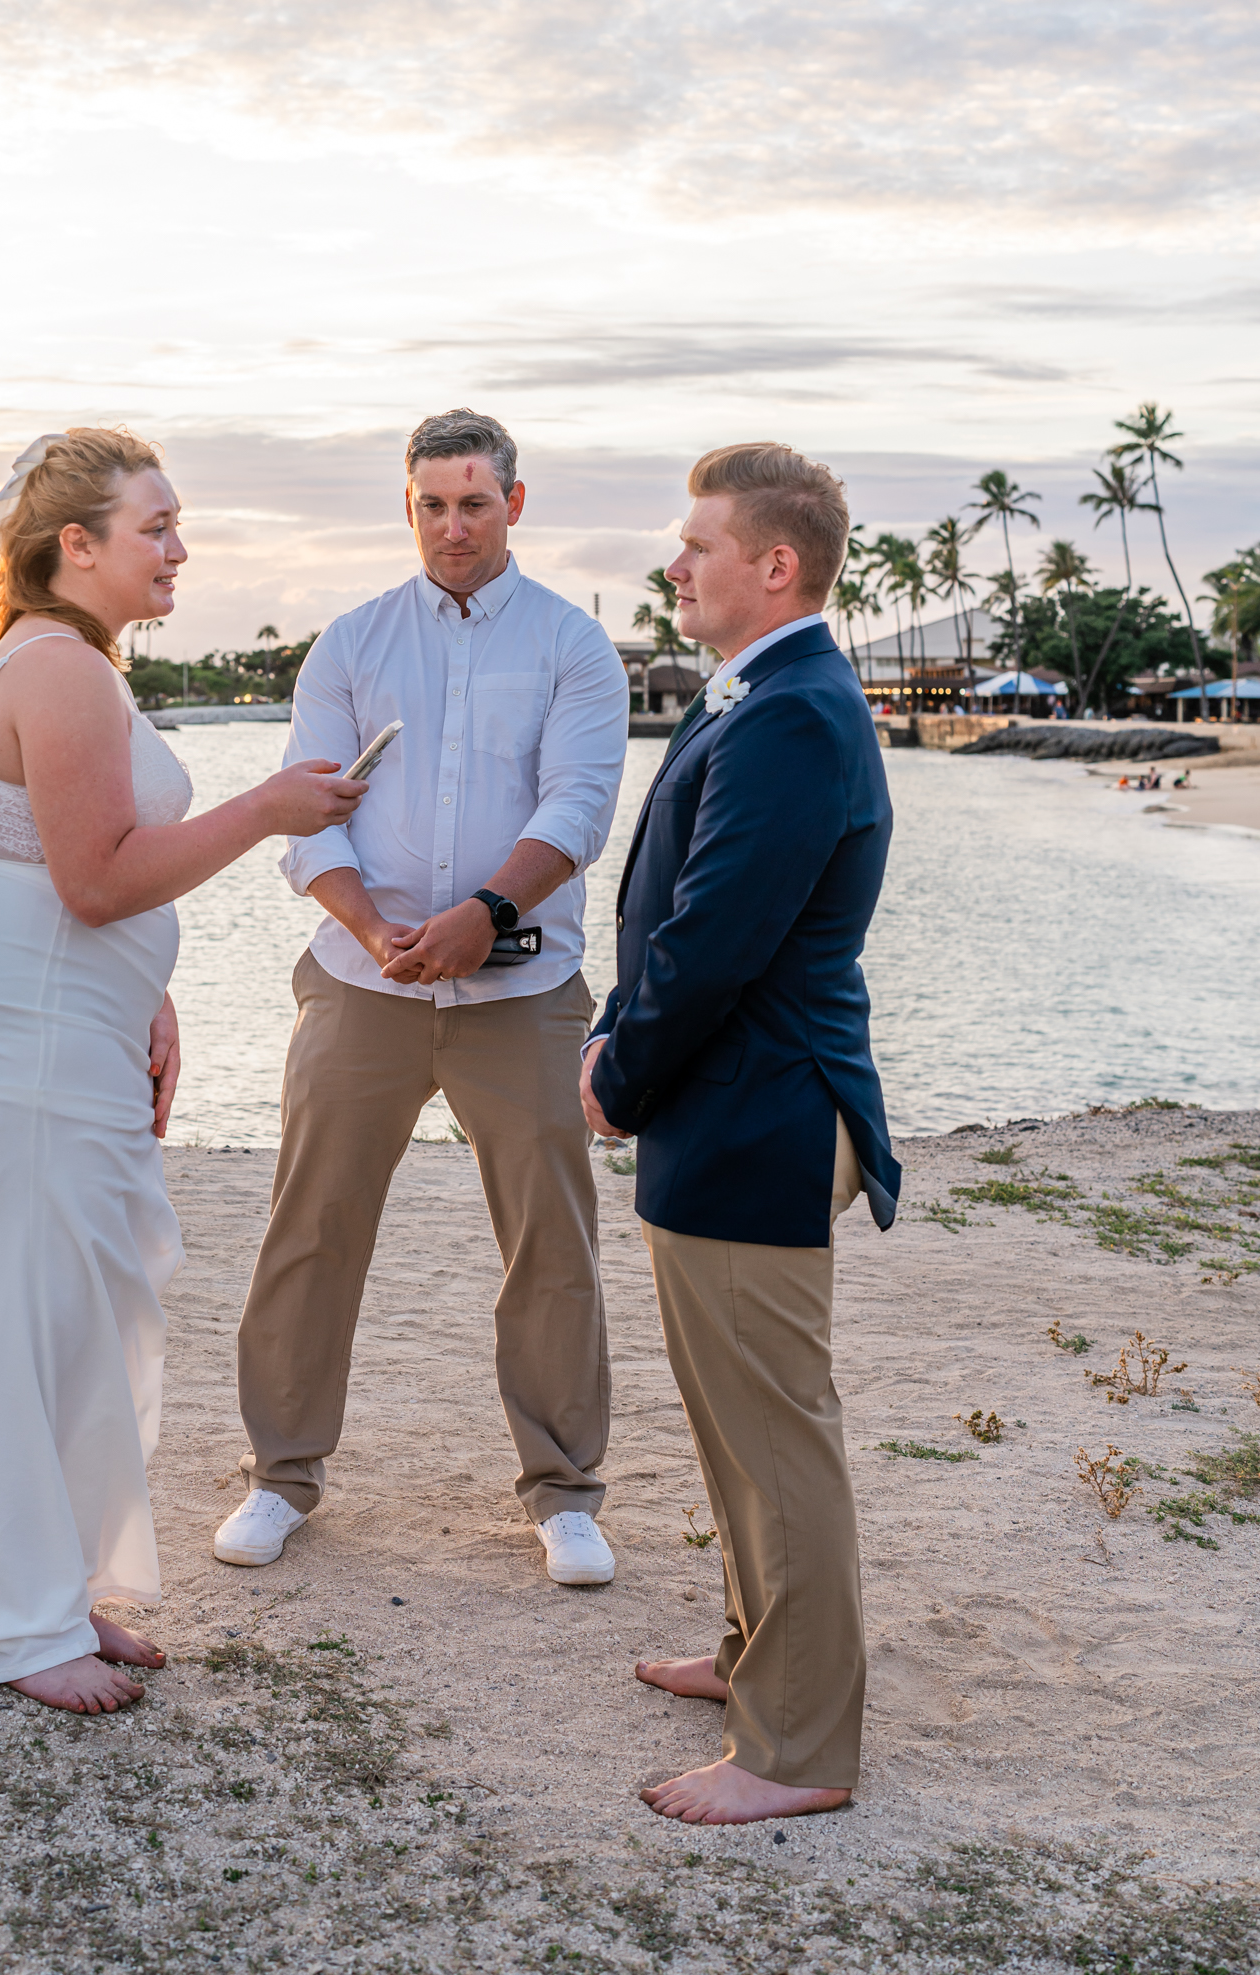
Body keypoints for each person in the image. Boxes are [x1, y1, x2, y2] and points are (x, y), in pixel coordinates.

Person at [0, 428, 365, 1714]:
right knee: (15, 1314)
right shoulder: (63, 668)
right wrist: (265, 809)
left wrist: (153, 990)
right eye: (159, 527)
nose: (180, 550)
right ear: (77, 546)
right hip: (23, 1020)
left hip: (65, 1005)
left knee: (64, 1310)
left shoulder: (70, 662)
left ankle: (47, 1589)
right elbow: (90, 880)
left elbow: (85, 865)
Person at [214, 409, 631, 1586]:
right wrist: (373, 926)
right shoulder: (349, 644)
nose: (454, 526)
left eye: (476, 503)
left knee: (552, 1240)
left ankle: (564, 1493)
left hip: (524, 986)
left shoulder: (570, 646)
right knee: (313, 1226)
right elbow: (311, 814)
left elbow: (578, 808)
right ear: (407, 507)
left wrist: (481, 919)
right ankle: (281, 1477)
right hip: (364, 981)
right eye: (433, 504)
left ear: (513, 504)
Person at [581, 441, 900, 1826]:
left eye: (696, 543)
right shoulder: (771, 689)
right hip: (733, 1100)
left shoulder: (791, 709)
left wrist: (619, 1063)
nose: (675, 563)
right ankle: (750, 1656)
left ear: (774, 564)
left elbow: (716, 934)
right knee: (731, 1426)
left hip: (759, 1104)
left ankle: (797, 1747)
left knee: (774, 1438)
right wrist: (623, 1033)